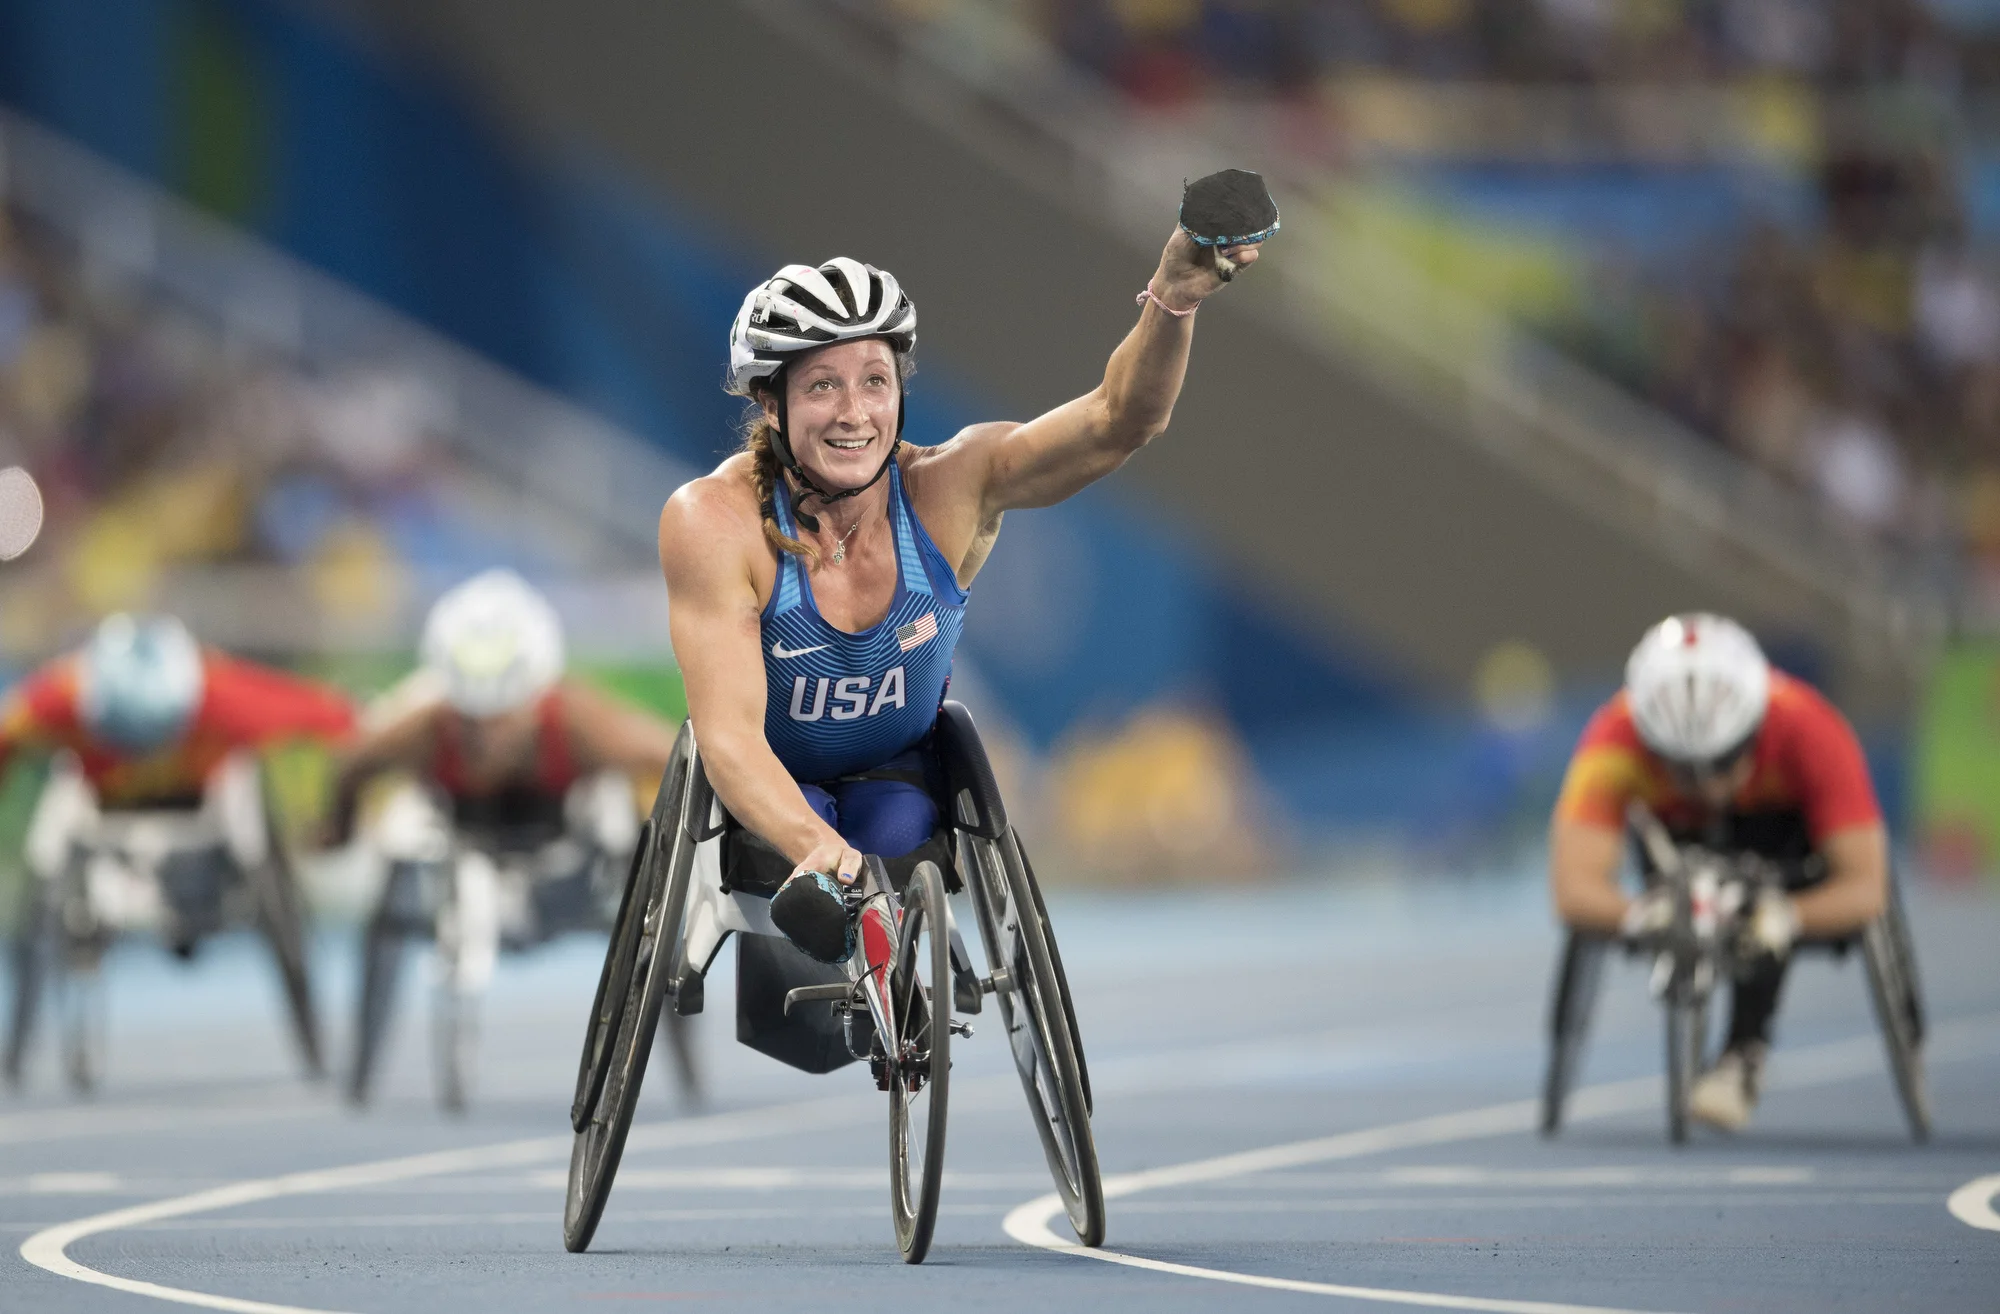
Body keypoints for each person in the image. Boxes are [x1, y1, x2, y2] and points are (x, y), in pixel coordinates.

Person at [656, 203, 1264, 1056]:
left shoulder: (951, 487)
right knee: (820, 865)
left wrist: (1175, 297)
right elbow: (726, 737)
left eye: (874, 380)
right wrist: (818, 849)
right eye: (822, 385)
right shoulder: (713, 522)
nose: (854, 412)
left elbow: (1117, 421)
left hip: (898, 779)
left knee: (894, 832)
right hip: (775, 792)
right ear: (771, 400)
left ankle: (886, 956)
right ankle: (840, 954)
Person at [328, 569, 688, 1104]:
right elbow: (351, 767)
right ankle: (362, 1065)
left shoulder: (579, 722)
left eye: (500, 720)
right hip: (460, 850)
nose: (485, 738)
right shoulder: (424, 729)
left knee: (628, 817)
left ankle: (683, 1051)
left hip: (567, 866)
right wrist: (337, 831)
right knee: (399, 835)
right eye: (471, 723)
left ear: (533, 699)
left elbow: (677, 757)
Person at [1548, 613, 1890, 1131]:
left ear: (1754, 728)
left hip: (1783, 846)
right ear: (1650, 742)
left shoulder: (1811, 728)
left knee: (1761, 904)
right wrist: (1642, 916)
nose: (1708, 787)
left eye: (1725, 762)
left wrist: (1787, 915)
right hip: (1670, 838)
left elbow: (1865, 887)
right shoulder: (1612, 739)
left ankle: (1744, 1047)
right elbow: (1574, 889)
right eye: (1683, 770)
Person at [1, 613, 355, 954]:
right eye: (127, 741)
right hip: (100, 802)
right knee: (61, 794)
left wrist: (334, 812)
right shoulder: (59, 697)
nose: (143, 759)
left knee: (244, 778)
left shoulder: (223, 694)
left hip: (206, 804)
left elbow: (338, 718)